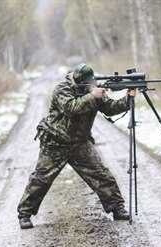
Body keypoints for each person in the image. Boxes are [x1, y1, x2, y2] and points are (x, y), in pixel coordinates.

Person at [17, 63, 134, 229]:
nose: (91, 86)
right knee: (41, 179)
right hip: (55, 142)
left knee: (101, 174)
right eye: (88, 83)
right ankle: (24, 214)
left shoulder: (92, 88)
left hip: (80, 143)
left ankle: (117, 208)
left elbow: (109, 108)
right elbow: (71, 108)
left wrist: (128, 98)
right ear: (78, 80)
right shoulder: (62, 89)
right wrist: (93, 95)